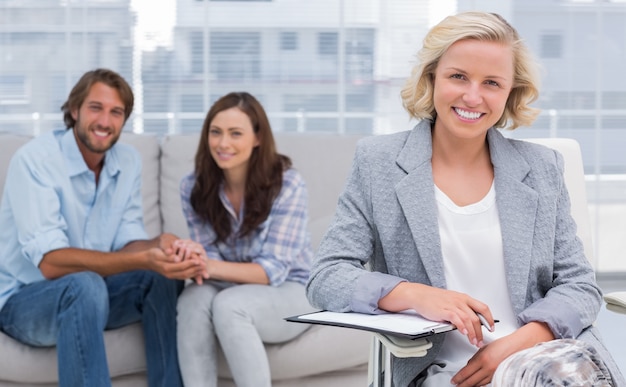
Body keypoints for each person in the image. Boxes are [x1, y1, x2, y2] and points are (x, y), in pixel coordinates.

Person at [305, 11, 625, 387]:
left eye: (492, 82)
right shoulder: (378, 163)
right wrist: (414, 294)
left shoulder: (541, 167)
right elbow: (326, 277)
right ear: (432, 78)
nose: (473, 96)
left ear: (510, 93)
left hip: (545, 359)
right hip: (446, 371)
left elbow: (580, 285)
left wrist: (514, 345)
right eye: (458, 76)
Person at [0, 68, 205, 387]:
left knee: (160, 278)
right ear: (74, 110)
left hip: (92, 294)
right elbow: (52, 262)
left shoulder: (128, 161)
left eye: (116, 112)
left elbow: (129, 242)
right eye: (96, 108)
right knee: (85, 285)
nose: (105, 122)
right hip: (23, 303)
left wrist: (161, 247)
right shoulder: (35, 161)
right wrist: (141, 258)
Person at [174, 91, 316, 387]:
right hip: (230, 284)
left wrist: (206, 265)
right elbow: (208, 259)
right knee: (191, 300)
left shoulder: (287, 183)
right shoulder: (193, 186)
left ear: (257, 138)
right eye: (216, 132)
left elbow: (271, 270)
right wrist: (191, 257)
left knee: (230, 304)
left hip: (292, 287)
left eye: (235, 133)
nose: (223, 143)